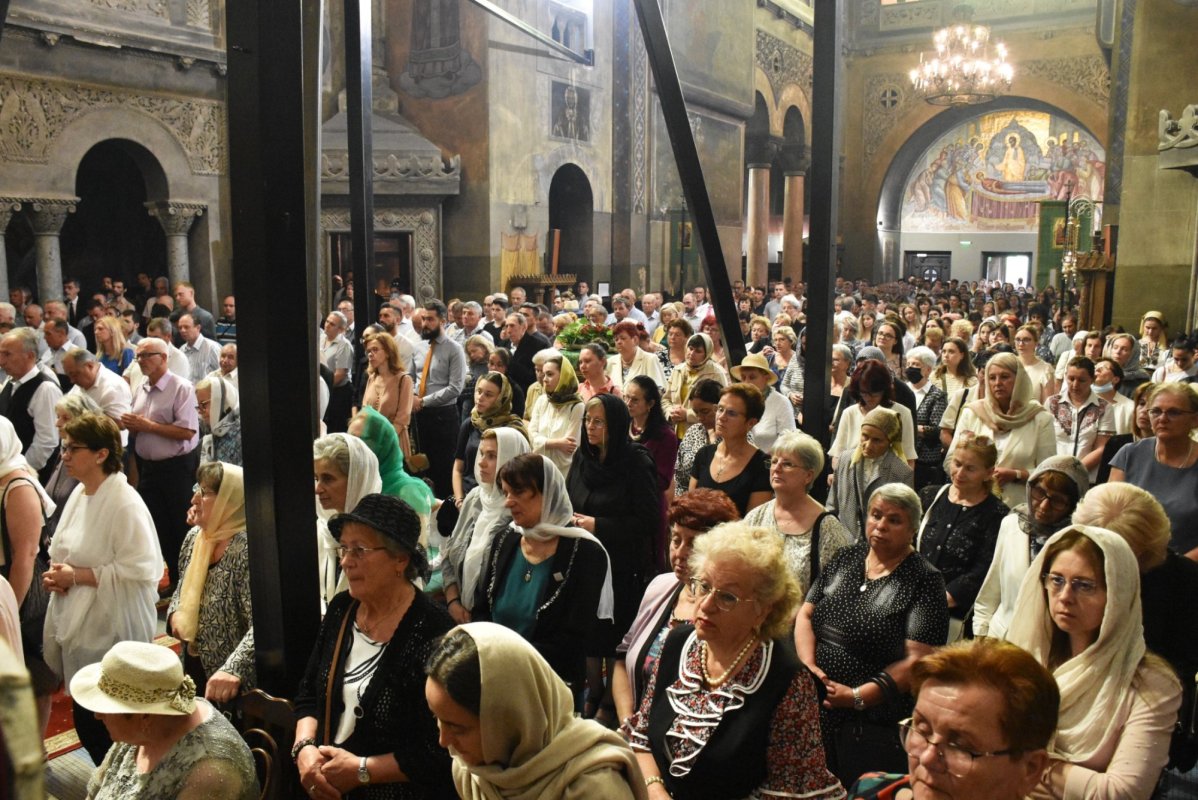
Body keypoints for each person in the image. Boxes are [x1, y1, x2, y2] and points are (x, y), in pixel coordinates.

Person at [625, 522, 844, 800]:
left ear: (763, 611)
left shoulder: (786, 680)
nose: (705, 605)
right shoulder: (678, 643)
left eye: (727, 597)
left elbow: (788, 791)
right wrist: (655, 789)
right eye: (704, 586)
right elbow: (642, 735)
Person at [293, 494, 455, 799]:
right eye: (344, 548)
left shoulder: (436, 632)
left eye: (360, 550)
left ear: (400, 559)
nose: (345, 561)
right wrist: (304, 749)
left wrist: (362, 769)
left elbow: (442, 748)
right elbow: (308, 694)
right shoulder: (342, 610)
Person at [1008, 527, 1181, 799]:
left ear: (1117, 593)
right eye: (1056, 580)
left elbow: (1121, 793)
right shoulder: (1026, 658)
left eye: (1084, 585)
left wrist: (1026, 763)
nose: (1065, 596)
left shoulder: (1152, 683)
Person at [796, 483, 949, 782]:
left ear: (912, 529)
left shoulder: (925, 580)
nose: (880, 525)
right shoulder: (846, 558)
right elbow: (807, 612)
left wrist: (856, 696)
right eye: (876, 515)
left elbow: (917, 661)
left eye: (894, 520)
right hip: (814, 702)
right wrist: (809, 668)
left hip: (870, 722)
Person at [42, 413, 163, 764]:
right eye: (63, 447)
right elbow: (65, 546)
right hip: (80, 616)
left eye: (73, 448)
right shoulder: (83, 493)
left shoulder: (123, 502)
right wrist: (59, 574)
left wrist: (75, 576)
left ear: (101, 454)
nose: (64, 454)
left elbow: (141, 569)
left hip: (111, 624)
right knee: (87, 715)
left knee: (106, 723)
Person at [426, 623, 646, 799]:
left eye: (458, 728)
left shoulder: (594, 788)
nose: (443, 741)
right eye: (438, 719)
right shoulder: (471, 772)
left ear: (510, 720)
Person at [848, 639, 1059, 800]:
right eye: (922, 730)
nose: (927, 758)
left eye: (960, 746)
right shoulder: (872, 792)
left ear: (1030, 769)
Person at [473, 454, 612, 690]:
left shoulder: (585, 552)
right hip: (495, 677)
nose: (508, 502)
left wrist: (509, 661)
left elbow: (574, 638)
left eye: (518, 492)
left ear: (547, 494)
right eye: (506, 493)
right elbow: (481, 609)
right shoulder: (506, 539)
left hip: (550, 684)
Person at [612, 490, 739, 722]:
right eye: (676, 539)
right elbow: (623, 657)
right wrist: (626, 720)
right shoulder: (661, 586)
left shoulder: (725, 608)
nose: (680, 553)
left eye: (693, 544)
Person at [72, 640, 257, 799]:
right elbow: (96, 790)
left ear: (144, 715)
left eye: (107, 707)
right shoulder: (142, 730)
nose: (97, 715)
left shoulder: (210, 772)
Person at [972, 455, 1089, 640]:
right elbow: (993, 586)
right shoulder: (1012, 524)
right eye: (1039, 492)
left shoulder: (1075, 540)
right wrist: (981, 632)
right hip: (1002, 637)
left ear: (1073, 505)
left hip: (1045, 644)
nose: (1044, 505)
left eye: (1057, 501)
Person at [168, 462, 254, 703]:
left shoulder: (245, 548)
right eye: (198, 488)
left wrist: (233, 668)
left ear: (229, 499)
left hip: (231, 681)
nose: (195, 499)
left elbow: (261, 623)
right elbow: (181, 588)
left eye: (205, 493)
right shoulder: (196, 537)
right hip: (194, 664)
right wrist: (175, 613)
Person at [916, 434, 1008, 640]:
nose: (960, 473)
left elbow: (983, 570)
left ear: (989, 473)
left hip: (954, 618)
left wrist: (936, 601)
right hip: (912, 604)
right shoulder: (929, 495)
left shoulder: (998, 514)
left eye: (970, 468)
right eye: (957, 463)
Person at [124, 337, 199, 588]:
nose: (141, 361)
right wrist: (133, 426)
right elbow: (141, 427)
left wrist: (147, 426)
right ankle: (176, 581)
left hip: (176, 468)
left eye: (146, 356)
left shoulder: (181, 388)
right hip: (149, 468)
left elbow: (188, 431)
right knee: (158, 527)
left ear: (164, 358)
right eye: (138, 357)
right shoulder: (141, 387)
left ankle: (189, 583)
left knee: (180, 527)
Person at [744, 430, 853, 597]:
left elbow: (840, 593)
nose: (777, 468)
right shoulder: (755, 517)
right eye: (773, 461)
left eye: (787, 464)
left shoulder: (828, 529)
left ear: (808, 476)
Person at [0, 416, 57, 729]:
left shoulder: (17, 485)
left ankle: (35, 752)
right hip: (6, 584)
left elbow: (25, 555)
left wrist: (10, 607)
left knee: (32, 672)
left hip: (20, 586)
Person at [441, 429, 530, 624]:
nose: (481, 462)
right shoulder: (475, 497)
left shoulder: (518, 513)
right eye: (482, 453)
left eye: (492, 456)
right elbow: (449, 554)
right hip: (460, 614)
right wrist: (453, 601)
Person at [946, 353, 1055, 507]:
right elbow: (951, 460)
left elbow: (1049, 472)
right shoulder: (973, 413)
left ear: (1019, 379)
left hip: (1018, 506)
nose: (997, 383)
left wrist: (1017, 475)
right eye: (992, 378)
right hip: (971, 503)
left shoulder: (1040, 418)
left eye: (1005, 377)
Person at [1109, 382, 1198, 558]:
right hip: (1126, 562)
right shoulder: (1129, 454)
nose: (1162, 419)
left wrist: (1179, 567)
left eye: (1173, 412)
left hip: (1187, 570)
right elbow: (1109, 514)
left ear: (1194, 419)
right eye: (1156, 411)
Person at [313, 434, 382, 608]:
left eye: (327, 479)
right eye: (316, 478)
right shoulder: (321, 529)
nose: (317, 489)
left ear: (355, 479)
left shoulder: (382, 533)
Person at [830, 406, 914, 540]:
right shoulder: (845, 460)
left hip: (878, 545)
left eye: (877, 440)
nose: (868, 445)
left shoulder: (901, 473)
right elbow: (832, 504)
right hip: (842, 542)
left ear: (890, 441)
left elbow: (903, 519)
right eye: (865, 436)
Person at [410, 301, 467, 499]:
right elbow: (410, 379)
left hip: (443, 417)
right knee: (419, 467)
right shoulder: (418, 347)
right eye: (424, 319)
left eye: (430, 319)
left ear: (443, 320)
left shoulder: (454, 349)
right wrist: (413, 398)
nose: (425, 323)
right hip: (419, 415)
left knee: (442, 469)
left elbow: (455, 388)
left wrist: (423, 401)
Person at [688, 383, 772, 516]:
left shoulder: (762, 465)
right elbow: (689, 508)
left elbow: (752, 524)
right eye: (720, 409)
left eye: (731, 413)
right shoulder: (704, 454)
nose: (721, 417)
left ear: (751, 423)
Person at [624, 376, 680, 568]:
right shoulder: (624, 427)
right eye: (626, 398)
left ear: (650, 404)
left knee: (646, 562)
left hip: (649, 505)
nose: (628, 403)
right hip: (623, 504)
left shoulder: (665, 436)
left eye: (635, 399)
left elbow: (663, 480)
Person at [451, 372, 528, 505]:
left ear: (501, 398)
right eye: (478, 391)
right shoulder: (470, 423)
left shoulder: (511, 430)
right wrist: (459, 500)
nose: (480, 398)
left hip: (499, 500)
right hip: (467, 496)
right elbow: (458, 468)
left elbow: (520, 476)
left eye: (488, 394)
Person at [830, 360, 917, 473]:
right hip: (852, 476)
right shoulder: (849, 413)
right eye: (864, 393)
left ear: (884, 391)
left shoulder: (902, 413)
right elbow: (837, 455)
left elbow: (909, 458)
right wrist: (844, 475)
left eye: (875, 394)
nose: (869, 398)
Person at [663, 333, 728, 439]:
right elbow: (665, 399)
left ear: (707, 354)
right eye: (690, 348)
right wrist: (670, 412)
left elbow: (722, 407)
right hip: (675, 432)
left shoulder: (716, 373)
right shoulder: (678, 370)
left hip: (704, 434)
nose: (691, 353)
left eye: (698, 351)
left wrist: (687, 415)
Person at [357, 331, 414, 449]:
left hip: (393, 443)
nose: (370, 354)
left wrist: (382, 443)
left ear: (388, 352)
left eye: (375, 350)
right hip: (371, 442)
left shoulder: (404, 380)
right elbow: (364, 412)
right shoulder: (372, 378)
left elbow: (402, 419)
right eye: (368, 351)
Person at [731, 352, 796, 455]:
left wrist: (764, 459)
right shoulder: (735, 402)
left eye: (752, 377)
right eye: (743, 377)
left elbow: (788, 441)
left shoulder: (781, 402)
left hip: (768, 463)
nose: (747, 382)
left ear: (766, 378)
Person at [906, 345, 949, 490]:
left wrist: (907, 427)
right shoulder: (901, 391)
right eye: (909, 364)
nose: (911, 368)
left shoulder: (937, 395)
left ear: (928, 370)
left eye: (916, 365)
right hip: (901, 456)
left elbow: (936, 430)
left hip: (924, 461)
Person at [194, 375, 241, 465]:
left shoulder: (242, 434)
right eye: (198, 407)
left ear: (220, 401)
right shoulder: (210, 433)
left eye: (203, 405)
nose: (200, 412)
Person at [608, 321, 665, 389]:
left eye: (623, 338)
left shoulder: (650, 359)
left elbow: (659, 389)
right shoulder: (610, 361)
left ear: (635, 340)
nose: (619, 342)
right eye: (616, 339)